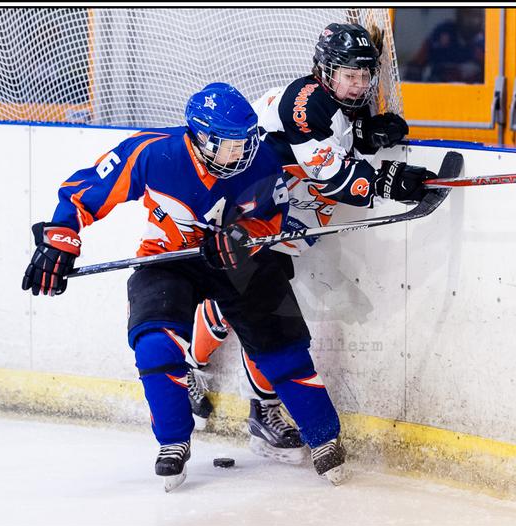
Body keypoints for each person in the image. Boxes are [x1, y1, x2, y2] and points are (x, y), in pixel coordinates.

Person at [21, 82, 349, 491]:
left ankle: (323, 435)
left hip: (234, 260)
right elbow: (83, 192)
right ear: (198, 138)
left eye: (244, 143)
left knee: (281, 343)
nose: (240, 153)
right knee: (155, 343)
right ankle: (174, 441)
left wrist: (239, 234)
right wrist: (61, 237)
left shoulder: (261, 159)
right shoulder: (154, 153)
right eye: (228, 145)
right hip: (169, 259)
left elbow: (272, 216)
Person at [187, 23, 449, 464]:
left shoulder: (339, 101)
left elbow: (335, 145)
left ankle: (246, 398)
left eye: (365, 76)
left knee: (256, 302)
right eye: (349, 75)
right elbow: (337, 178)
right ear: (324, 72)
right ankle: (212, 380)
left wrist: (369, 135)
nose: (360, 85)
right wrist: (393, 180)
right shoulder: (304, 104)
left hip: (289, 202)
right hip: (248, 204)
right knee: (251, 302)